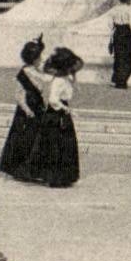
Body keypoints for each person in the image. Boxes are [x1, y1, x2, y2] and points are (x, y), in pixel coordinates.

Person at [29, 47, 83, 188]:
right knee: (58, 144)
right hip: (57, 114)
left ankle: (60, 176)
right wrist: (66, 109)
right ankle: (56, 176)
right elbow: (53, 99)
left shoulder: (63, 78)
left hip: (57, 114)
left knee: (59, 144)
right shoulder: (59, 81)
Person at [0, 35, 47, 181]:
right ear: (33, 58)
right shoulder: (23, 74)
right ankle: (21, 170)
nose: (41, 60)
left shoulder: (38, 72)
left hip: (38, 110)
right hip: (26, 113)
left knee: (37, 141)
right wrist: (27, 110)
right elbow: (19, 96)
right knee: (24, 141)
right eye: (39, 57)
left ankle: (34, 171)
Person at [108, 0, 131, 90]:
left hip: (117, 32)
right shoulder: (129, 9)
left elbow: (110, 26)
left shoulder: (114, 10)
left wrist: (111, 39)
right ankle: (122, 80)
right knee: (128, 57)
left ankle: (116, 79)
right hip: (126, 32)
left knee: (119, 56)